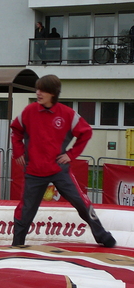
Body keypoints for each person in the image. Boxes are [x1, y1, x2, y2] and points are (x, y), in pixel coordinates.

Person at [11, 74, 116, 248]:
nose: (38, 93)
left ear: (53, 93)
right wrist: (18, 151)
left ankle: (102, 236)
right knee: (26, 210)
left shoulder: (67, 114)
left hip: (60, 170)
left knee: (82, 203)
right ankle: (16, 244)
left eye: (42, 90)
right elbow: (15, 130)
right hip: (34, 171)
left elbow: (86, 132)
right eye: (38, 89)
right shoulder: (29, 111)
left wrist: (71, 154)